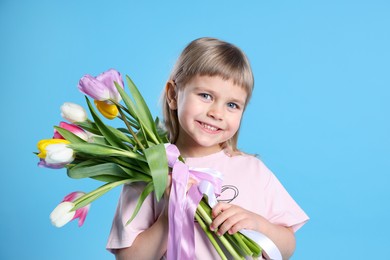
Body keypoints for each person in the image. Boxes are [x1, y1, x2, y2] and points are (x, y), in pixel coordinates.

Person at [106, 37, 309, 259]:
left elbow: (287, 246)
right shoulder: (150, 172)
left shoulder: (253, 170)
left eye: (232, 105)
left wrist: (259, 224)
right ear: (173, 95)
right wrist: (170, 217)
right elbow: (128, 257)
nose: (217, 113)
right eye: (205, 95)